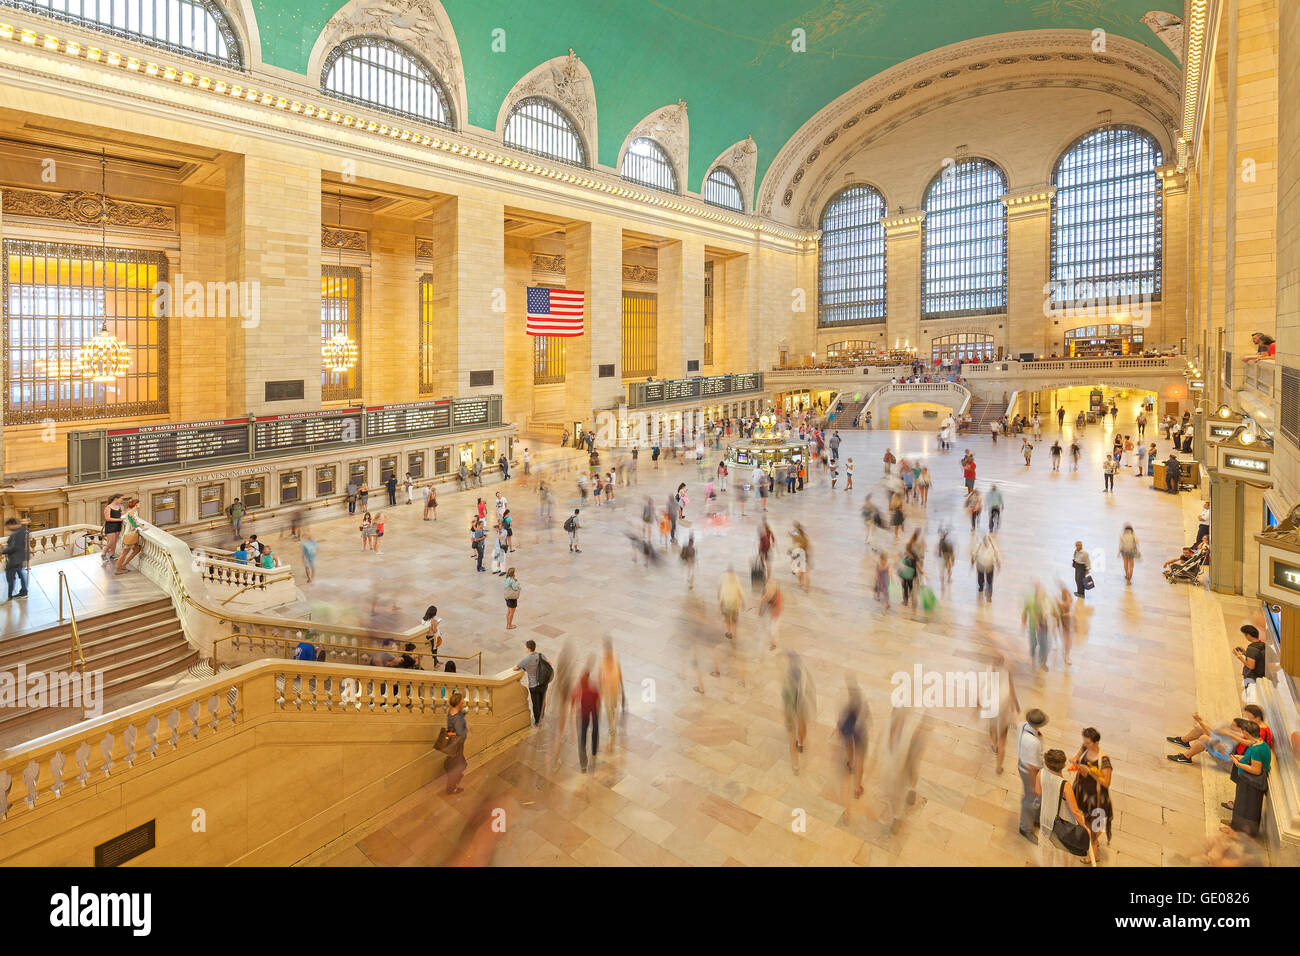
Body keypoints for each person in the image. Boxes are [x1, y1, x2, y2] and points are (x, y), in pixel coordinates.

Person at [1039, 748, 1092, 866]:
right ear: (1063, 765)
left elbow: (1038, 792)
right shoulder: (1065, 785)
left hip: (1044, 817)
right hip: (1059, 823)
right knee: (1060, 852)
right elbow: (1075, 811)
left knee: (1046, 850)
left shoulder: (1040, 773)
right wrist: (1085, 827)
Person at [1070, 727, 1113, 859]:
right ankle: (1092, 839)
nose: (1085, 744)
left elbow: (1106, 783)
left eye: (1088, 743)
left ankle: (1092, 857)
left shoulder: (1104, 761)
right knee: (1086, 822)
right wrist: (1076, 757)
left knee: (1094, 827)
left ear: (1096, 742)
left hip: (1097, 799)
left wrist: (1090, 772)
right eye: (1084, 742)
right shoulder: (1086, 746)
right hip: (1083, 793)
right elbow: (1082, 748)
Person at [1227, 720, 1270, 836]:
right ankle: (1234, 827)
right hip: (1249, 782)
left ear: (1246, 732)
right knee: (1243, 807)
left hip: (1250, 784)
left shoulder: (1255, 749)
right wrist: (1242, 757)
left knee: (1244, 808)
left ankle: (1238, 832)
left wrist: (1237, 763)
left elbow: (1256, 770)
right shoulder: (1260, 743)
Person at [782, 652, 816, 774]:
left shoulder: (789, 676)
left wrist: (786, 716)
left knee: (794, 734)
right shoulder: (803, 673)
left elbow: (785, 695)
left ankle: (796, 763)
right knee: (800, 728)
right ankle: (800, 745)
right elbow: (810, 691)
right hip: (799, 704)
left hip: (796, 704)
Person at [1017, 708, 1048, 843]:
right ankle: (1025, 828)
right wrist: (1033, 785)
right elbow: (1031, 768)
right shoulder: (1033, 742)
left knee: (1036, 798)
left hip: (1024, 764)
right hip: (1030, 772)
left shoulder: (1022, 725)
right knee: (1030, 799)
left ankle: (1035, 819)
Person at [838, 682, 868, 815]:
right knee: (860, 758)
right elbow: (866, 720)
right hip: (860, 732)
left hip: (848, 730)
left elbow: (840, 720)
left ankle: (850, 763)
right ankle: (857, 789)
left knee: (848, 743)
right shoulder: (863, 705)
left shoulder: (846, 706)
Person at [573, 661, 601, 772]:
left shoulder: (580, 688)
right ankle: (594, 751)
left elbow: (574, 697)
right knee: (595, 730)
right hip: (593, 712)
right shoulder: (593, 688)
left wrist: (576, 709)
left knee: (582, 738)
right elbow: (598, 700)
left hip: (583, 715)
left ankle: (583, 764)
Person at [599, 638, 625, 750]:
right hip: (607, 692)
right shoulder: (602, 661)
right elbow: (600, 678)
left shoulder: (615, 660)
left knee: (613, 709)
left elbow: (620, 674)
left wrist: (623, 691)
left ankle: (612, 727)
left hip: (615, 691)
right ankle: (612, 734)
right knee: (610, 712)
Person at [514, 640, 548, 724]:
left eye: (526, 647)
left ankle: (537, 721)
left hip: (533, 685)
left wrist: (526, 668)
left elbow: (515, 668)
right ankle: (542, 715)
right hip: (543, 683)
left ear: (529, 649)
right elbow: (549, 663)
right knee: (542, 699)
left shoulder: (526, 659)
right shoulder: (541, 655)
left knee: (535, 703)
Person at [442, 692, 468, 794]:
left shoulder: (451, 711)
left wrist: (463, 715)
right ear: (458, 702)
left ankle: (453, 778)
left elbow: (453, 723)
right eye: (462, 700)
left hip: (451, 741)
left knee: (460, 763)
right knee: (459, 765)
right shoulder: (458, 717)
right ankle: (451, 788)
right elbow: (460, 734)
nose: (463, 701)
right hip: (457, 744)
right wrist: (466, 729)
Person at [1233, 624, 1266, 695]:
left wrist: (1239, 656)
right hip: (1260, 676)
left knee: (1250, 695)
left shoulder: (1252, 649)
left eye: (1245, 635)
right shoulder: (1262, 644)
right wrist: (1245, 653)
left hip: (1251, 677)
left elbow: (1251, 666)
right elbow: (1257, 657)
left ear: (1248, 635)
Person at [2, 517, 31, 602]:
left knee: (11, 577)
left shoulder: (17, 533)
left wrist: (2, 551)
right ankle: (23, 592)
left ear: (12, 524)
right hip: (19, 558)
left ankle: (10, 596)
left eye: (8, 526)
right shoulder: (23, 530)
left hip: (15, 559)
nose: (8, 528)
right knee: (21, 575)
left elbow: (14, 547)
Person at [114, 498, 145, 574]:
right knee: (124, 554)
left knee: (137, 549)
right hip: (129, 535)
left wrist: (139, 525)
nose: (140, 504)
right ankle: (118, 570)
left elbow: (133, 522)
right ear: (136, 504)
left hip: (130, 535)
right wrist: (142, 527)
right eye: (139, 503)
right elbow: (133, 525)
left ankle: (124, 565)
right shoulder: (131, 513)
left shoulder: (134, 512)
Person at [972, 533, 1000, 602]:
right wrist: (998, 563)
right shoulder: (992, 545)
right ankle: (988, 592)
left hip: (982, 565)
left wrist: (972, 561)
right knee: (989, 580)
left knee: (982, 578)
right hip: (988, 565)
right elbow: (997, 554)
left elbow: (974, 554)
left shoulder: (979, 544)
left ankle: (982, 588)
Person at [719, 568, 744, 637]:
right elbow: (741, 594)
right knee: (735, 621)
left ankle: (729, 632)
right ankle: (735, 633)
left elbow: (721, 598)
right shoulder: (737, 584)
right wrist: (743, 603)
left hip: (727, 606)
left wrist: (720, 607)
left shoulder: (725, 585)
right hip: (735, 606)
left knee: (727, 620)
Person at [102, 493, 126, 564]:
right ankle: (103, 553)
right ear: (116, 499)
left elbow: (121, 514)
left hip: (118, 526)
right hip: (110, 526)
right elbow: (107, 518)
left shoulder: (119, 506)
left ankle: (112, 554)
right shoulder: (108, 507)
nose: (122, 500)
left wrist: (130, 510)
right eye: (121, 498)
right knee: (111, 541)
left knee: (115, 541)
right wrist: (119, 520)